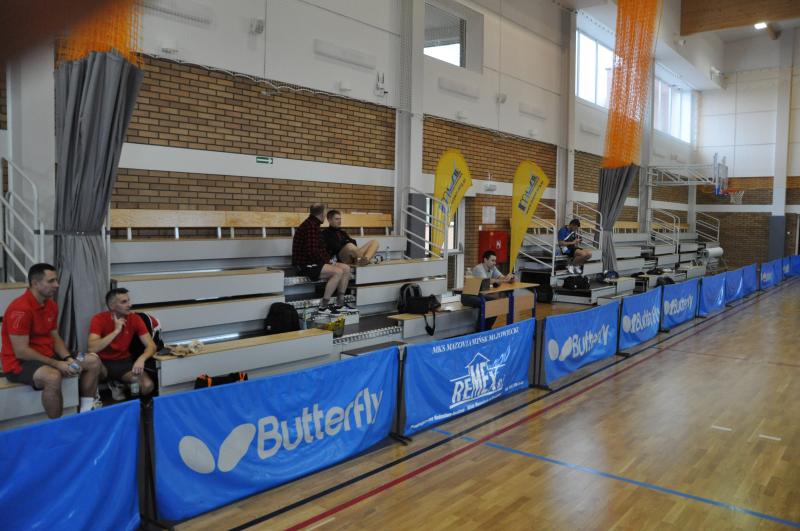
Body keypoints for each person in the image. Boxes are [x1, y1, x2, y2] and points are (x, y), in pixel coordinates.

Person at [1, 263, 102, 417]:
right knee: (52, 377)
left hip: (48, 355)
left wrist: (67, 358)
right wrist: (56, 364)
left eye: (56, 280)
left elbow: (54, 336)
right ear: (35, 283)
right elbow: (21, 351)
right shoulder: (20, 309)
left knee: (92, 361)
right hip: (19, 363)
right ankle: (57, 426)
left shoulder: (51, 305)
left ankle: (86, 413)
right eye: (51, 281)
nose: (57, 285)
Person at [88, 288, 156, 400]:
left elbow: (151, 346)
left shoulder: (134, 318)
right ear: (112, 306)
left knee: (147, 385)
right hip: (102, 363)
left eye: (128, 300)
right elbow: (92, 348)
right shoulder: (98, 319)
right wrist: (116, 331)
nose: (130, 305)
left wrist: (141, 359)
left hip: (123, 363)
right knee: (91, 365)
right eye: (124, 302)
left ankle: (123, 387)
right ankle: (96, 397)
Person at [292, 203, 352, 313]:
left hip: (314, 262)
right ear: (322, 214)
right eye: (325, 212)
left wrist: (329, 261)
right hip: (305, 265)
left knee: (346, 268)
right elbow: (312, 252)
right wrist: (328, 262)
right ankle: (323, 306)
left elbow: (320, 250)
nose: (325, 215)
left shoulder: (314, 225)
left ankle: (340, 303)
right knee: (337, 272)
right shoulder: (310, 226)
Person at [461, 250, 515, 331]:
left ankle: (487, 329)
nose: (494, 263)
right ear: (485, 260)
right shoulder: (478, 269)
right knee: (485, 304)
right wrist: (500, 280)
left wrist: (510, 277)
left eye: (495, 261)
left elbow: (501, 278)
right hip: (468, 296)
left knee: (495, 303)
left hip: (479, 295)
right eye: (492, 260)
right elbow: (487, 281)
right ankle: (479, 331)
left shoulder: (493, 268)